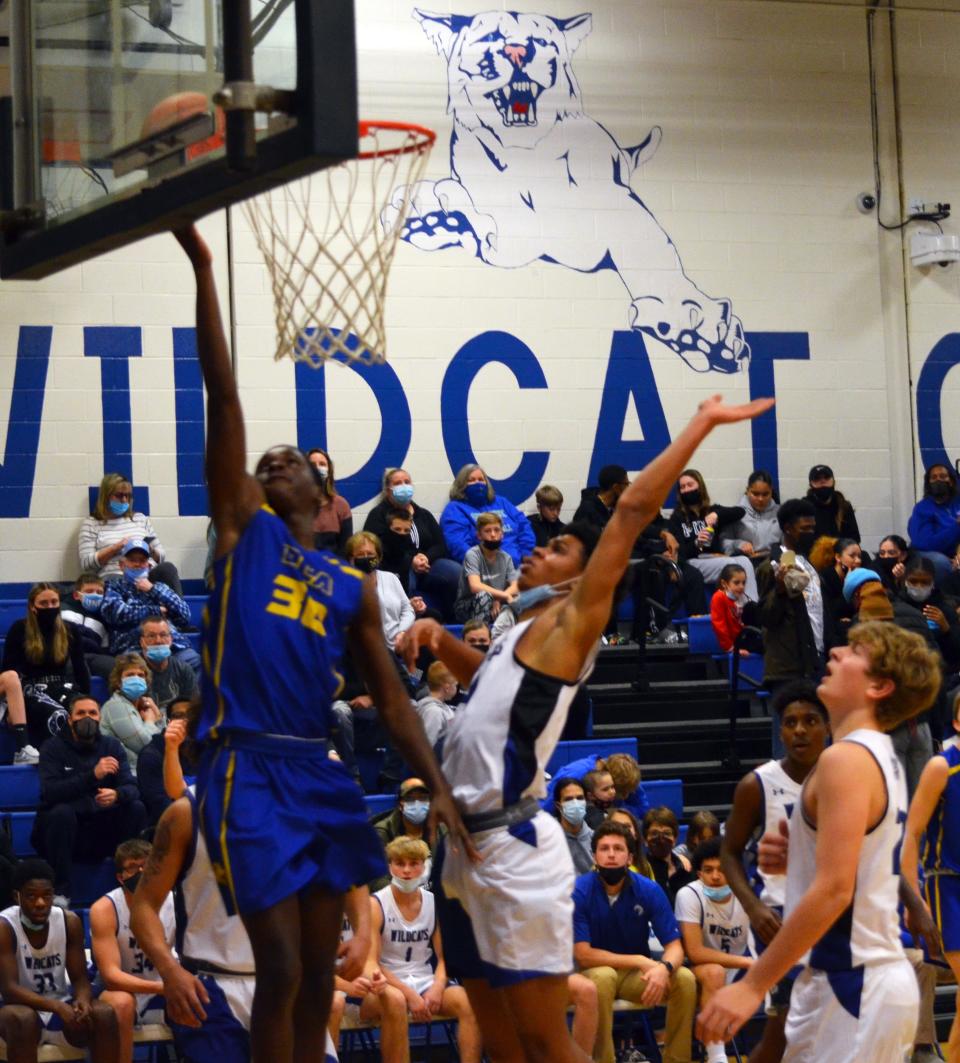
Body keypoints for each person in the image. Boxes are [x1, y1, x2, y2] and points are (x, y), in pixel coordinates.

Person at [397, 393, 772, 1062]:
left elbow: (630, 510)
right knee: (501, 1041)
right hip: (461, 849)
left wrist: (701, 425)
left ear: (582, 581)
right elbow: (489, 679)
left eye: (563, 546)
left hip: (510, 844)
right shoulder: (523, 634)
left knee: (544, 1038)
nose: (545, 548)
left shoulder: (573, 628)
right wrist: (437, 637)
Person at [175, 222, 469, 1063]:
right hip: (246, 764)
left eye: (286, 459)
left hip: (316, 767)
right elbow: (222, 394)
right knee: (277, 963)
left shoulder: (349, 585)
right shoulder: (240, 534)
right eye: (262, 461)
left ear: (322, 488)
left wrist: (437, 783)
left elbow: (393, 698)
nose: (271, 462)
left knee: (314, 968)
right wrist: (202, 266)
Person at [698, 621, 942, 1062]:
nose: (834, 653)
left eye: (852, 652)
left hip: (856, 981)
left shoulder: (844, 759)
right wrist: (802, 856)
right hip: (841, 980)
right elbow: (862, 862)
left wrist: (753, 986)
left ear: (880, 686)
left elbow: (835, 890)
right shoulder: (877, 752)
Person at [720, 679, 829, 1063]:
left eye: (810, 720)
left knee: (824, 1030)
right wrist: (754, 908)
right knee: (782, 1030)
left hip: (833, 915)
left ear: (828, 727)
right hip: (779, 919)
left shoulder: (844, 779)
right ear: (780, 730)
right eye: (790, 722)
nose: (799, 730)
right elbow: (729, 853)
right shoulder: (757, 784)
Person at [573, 821, 697, 1063]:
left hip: (634, 978)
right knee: (603, 977)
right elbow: (583, 954)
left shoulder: (648, 889)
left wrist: (664, 968)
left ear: (630, 857)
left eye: (618, 849)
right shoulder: (579, 890)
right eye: (604, 848)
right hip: (589, 974)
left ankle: (677, 1060)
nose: (611, 855)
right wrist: (640, 960)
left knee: (685, 979)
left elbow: (674, 946)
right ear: (594, 855)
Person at [365, 836, 481, 1063]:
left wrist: (438, 986)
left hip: (424, 977)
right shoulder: (375, 904)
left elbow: (445, 956)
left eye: (413, 863)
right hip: (386, 982)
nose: (406, 870)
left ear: (424, 866)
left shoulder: (434, 902)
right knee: (397, 1001)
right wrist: (409, 994)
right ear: (389, 866)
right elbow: (372, 962)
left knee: (469, 1003)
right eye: (400, 863)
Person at [0, 858, 119, 1062]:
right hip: (15, 1010)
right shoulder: (4, 927)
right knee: (23, 1019)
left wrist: (82, 1000)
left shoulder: (69, 921)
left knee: (104, 1014)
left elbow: (81, 979)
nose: (40, 903)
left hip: (60, 1006)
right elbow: (10, 990)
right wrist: (56, 1006)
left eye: (46, 895)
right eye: (31, 896)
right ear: (16, 896)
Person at [33, 693, 148, 905]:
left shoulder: (111, 746)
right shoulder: (52, 747)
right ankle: (60, 892)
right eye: (81, 713)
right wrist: (92, 776)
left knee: (136, 808)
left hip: (102, 830)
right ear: (70, 719)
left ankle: (133, 882)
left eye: (92, 713)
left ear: (99, 719)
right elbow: (50, 792)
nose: (87, 717)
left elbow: (132, 787)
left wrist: (117, 795)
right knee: (60, 813)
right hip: (67, 835)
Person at [901, 691, 960, 1063]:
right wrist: (914, 897)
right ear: (956, 722)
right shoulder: (942, 766)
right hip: (948, 884)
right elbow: (911, 833)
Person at [90, 839, 174, 1063]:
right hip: (121, 988)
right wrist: (162, 988)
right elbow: (111, 975)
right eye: (134, 867)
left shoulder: (174, 902)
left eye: (146, 866)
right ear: (120, 877)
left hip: (162, 985)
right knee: (121, 1004)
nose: (141, 872)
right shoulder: (104, 909)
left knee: (205, 996)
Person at [675, 837, 753, 1063]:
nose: (716, 876)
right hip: (699, 970)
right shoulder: (689, 895)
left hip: (741, 968)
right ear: (699, 874)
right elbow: (695, 952)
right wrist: (747, 962)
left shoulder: (748, 894)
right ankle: (716, 1057)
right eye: (708, 870)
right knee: (714, 972)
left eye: (721, 869)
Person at [2, 582, 91, 751]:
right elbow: (9, 670)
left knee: (85, 713)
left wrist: (87, 698)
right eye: (43, 603)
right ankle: (57, 759)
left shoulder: (69, 629)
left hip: (63, 686)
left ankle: (85, 757)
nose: (49, 607)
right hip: (31, 689)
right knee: (57, 715)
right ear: (32, 606)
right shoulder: (20, 629)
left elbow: (81, 668)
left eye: (54, 602)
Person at [364, 467, 461, 616]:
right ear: (388, 490)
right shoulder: (378, 515)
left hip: (429, 564)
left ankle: (457, 620)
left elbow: (440, 544)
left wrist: (425, 557)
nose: (403, 486)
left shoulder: (424, 514)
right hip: (399, 565)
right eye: (398, 483)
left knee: (456, 573)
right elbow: (377, 546)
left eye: (407, 482)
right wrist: (411, 560)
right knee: (406, 579)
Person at [756, 499, 825, 695]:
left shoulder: (810, 564)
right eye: (805, 528)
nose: (810, 533)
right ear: (787, 528)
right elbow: (767, 618)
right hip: (787, 666)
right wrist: (779, 589)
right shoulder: (772, 565)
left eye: (813, 528)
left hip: (815, 659)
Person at [100, 541, 199, 676]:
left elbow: (185, 615)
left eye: (142, 560)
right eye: (132, 560)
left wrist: (152, 589)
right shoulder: (114, 587)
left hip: (173, 647)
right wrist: (157, 610)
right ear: (122, 565)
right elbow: (116, 614)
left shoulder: (159, 588)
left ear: (149, 565)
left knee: (198, 663)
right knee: (133, 672)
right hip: (134, 648)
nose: (137, 564)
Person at [79, 472, 181, 591]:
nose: (124, 500)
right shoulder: (92, 523)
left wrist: (148, 549)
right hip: (116, 576)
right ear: (106, 497)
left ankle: (179, 608)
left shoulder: (140, 519)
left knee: (167, 569)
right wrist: (116, 548)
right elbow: (86, 564)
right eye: (119, 495)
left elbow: (162, 556)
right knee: (113, 581)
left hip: (147, 575)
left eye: (128, 496)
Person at [666, 468, 758, 601]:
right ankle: (742, 612)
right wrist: (696, 543)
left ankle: (752, 607)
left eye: (690, 485)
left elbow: (740, 512)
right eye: (682, 487)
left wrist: (717, 514)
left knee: (745, 561)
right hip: (693, 561)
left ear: (700, 486)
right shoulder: (677, 518)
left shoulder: (711, 510)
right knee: (732, 566)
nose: (686, 490)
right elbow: (680, 552)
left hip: (715, 557)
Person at [440, 463, 536, 566]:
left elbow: (524, 525)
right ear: (462, 485)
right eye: (472, 480)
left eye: (481, 479)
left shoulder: (501, 502)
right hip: (484, 567)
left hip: (519, 563)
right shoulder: (454, 509)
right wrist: (483, 565)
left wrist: (527, 553)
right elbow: (458, 545)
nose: (478, 484)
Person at [369, 778, 438, 893]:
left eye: (423, 798)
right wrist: (403, 898)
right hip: (395, 897)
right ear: (400, 804)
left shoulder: (441, 829)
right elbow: (376, 878)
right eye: (410, 799)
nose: (417, 803)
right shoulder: (382, 832)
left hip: (434, 898)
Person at [99, 653, 164, 773]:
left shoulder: (142, 706)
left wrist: (157, 714)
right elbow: (145, 745)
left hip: (146, 773)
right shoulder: (115, 706)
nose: (136, 679)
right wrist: (150, 721)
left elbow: (164, 741)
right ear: (118, 682)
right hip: (128, 776)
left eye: (141, 675)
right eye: (130, 675)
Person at [453, 512, 518, 624]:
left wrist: (498, 599)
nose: (493, 535)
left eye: (497, 530)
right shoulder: (473, 554)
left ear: (502, 533)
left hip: (496, 604)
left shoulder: (506, 557)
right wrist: (504, 595)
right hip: (467, 606)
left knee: (520, 597)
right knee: (484, 596)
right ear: (479, 535)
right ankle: (480, 636)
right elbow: (475, 586)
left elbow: (516, 586)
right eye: (488, 531)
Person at [137, 696, 192, 825]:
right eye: (178, 716)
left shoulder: (205, 749)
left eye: (191, 715)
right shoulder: (151, 755)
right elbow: (161, 805)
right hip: (167, 825)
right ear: (168, 722)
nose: (185, 721)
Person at [908, 464, 960, 586]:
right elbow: (925, 543)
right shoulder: (922, 508)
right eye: (934, 477)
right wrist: (956, 527)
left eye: (943, 476)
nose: (938, 480)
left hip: (956, 552)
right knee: (941, 563)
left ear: (951, 482)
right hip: (929, 553)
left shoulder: (957, 503)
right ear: (928, 483)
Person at [61, 573, 114, 681]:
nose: (95, 595)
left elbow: (104, 648)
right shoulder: (61, 609)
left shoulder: (104, 620)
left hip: (93, 656)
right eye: (89, 591)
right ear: (76, 595)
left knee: (116, 667)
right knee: (76, 668)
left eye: (99, 592)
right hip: (66, 654)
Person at [139, 616, 198, 710]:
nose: (158, 641)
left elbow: (192, 709)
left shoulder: (183, 669)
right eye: (151, 636)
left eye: (163, 635)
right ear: (142, 642)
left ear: (171, 640)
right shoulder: (134, 671)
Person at [720, 470, 781, 562]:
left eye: (765, 494)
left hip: (776, 561)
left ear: (771, 492)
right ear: (747, 491)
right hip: (747, 563)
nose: (760, 499)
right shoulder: (735, 513)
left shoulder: (780, 512)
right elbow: (723, 543)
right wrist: (738, 544)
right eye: (755, 494)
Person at [643, 807, 695, 903]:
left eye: (667, 833)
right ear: (645, 840)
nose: (661, 838)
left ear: (675, 839)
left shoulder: (686, 868)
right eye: (654, 833)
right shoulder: (641, 872)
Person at [307, 447, 353, 555]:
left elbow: (345, 549)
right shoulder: (294, 505)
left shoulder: (341, 506)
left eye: (322, 464)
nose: (317, 468)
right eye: (312, 465)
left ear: (329, 470)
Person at [710, 562, 761, 654]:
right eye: (736, 583)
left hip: (744, 637)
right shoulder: (719, 597)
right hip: (732, 644)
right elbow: (719, 626)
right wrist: (731, 648)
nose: (741, 586)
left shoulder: (743, 598)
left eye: (743, 583)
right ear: (724, 583)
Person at [805, 464, 860, 542]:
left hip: (841, 551)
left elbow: (854, 538)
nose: (822, 481)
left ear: (833, 481)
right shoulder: (804, 507)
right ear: (811, 484)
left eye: (826, 477)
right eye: (817, 478)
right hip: (814, 552)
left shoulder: (844, 506)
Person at [553, 776, 595, 874]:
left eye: (580, 798)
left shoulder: (596, 839)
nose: (575, 803)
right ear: (558, 806)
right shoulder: (549, 839)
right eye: (568, 799)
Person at [414, 662, 457, 749]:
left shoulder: (443, 708)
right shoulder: (434, 713)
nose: (456, 688)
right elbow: (428, 747)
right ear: (447, 688)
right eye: (455, 685)